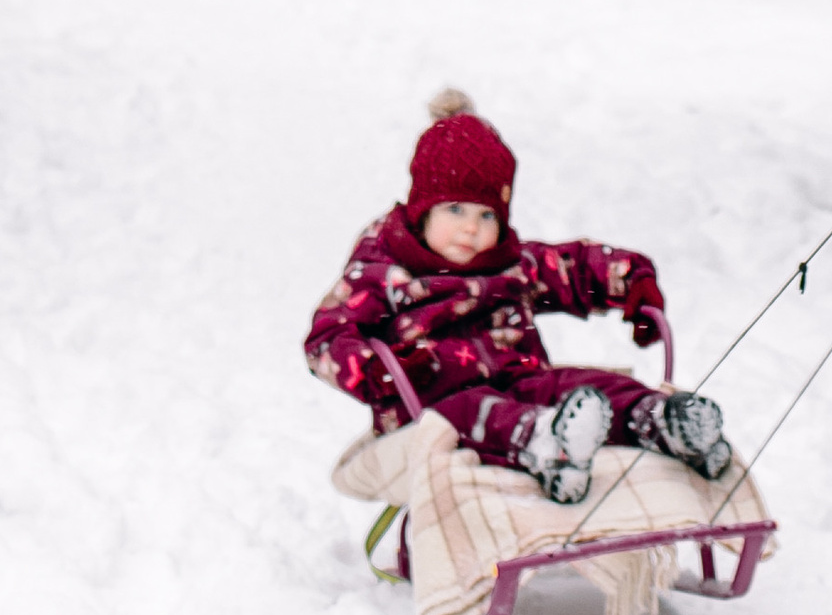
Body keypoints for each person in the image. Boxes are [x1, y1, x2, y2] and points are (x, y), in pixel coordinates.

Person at [305, 96, 732, 505]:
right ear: (422, 209)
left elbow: (574, 265)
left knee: (583, 386)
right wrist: (375, 372)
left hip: (520, 384)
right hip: (431, 407)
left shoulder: (508, 264)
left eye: (486, 215)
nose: (471, 229)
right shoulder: (384, 272)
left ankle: (662, 421)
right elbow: (328, 335)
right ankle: (546, 444)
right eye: (455, 210)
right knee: (474, 410)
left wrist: (632, 282)